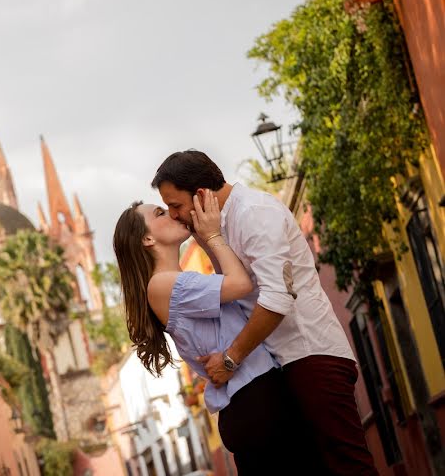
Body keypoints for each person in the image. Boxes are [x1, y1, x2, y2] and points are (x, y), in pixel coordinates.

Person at [153, 149, 377, 475]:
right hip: (281, 364)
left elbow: (277, 298)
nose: (174, 215)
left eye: (176, 206)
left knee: (348, 466)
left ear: (201, 194)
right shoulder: (214, 227)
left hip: (310, 353)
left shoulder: (254, 213)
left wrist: (231, 358)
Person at [113, 192, 318, 474]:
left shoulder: (177, 280)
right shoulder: (162, 285)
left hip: (255, 400)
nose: (172, 214)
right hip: (254, 400)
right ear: (147, 240)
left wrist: (205, 236)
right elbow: (240, 284)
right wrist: (211, 235)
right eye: (160, 213)